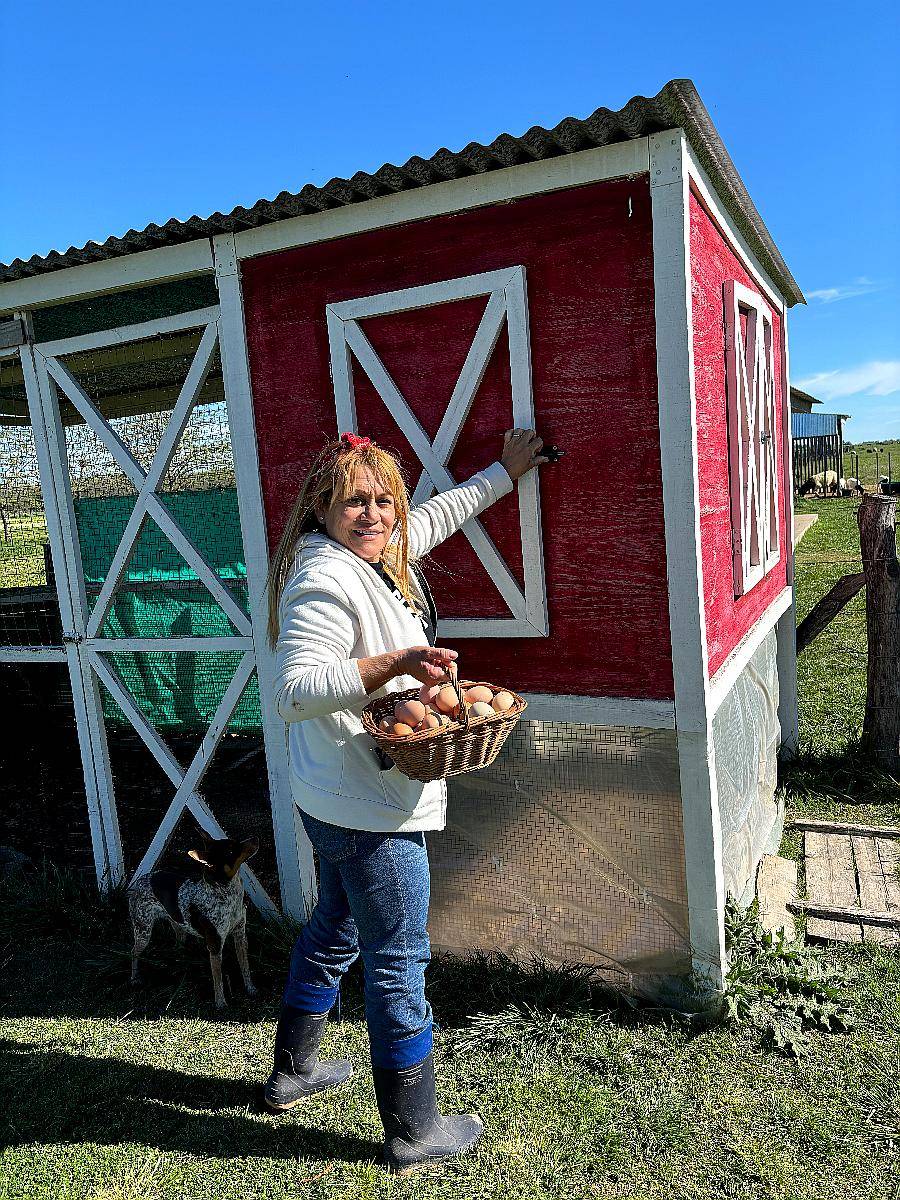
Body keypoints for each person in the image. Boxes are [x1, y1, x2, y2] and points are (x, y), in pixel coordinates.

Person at [264, 427, 547, 1172]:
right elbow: (293, 690)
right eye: (355, 501)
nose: (376, 514)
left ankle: (293, 1070)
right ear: (322, 508)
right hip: (368, 806)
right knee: (398, 958)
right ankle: (414, 1128)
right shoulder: (323, 578)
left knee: (335, 924)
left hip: (332, 793)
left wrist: (503, 473)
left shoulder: (375, 551)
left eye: (385, 500)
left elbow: (430, 519)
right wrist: (396, 663)